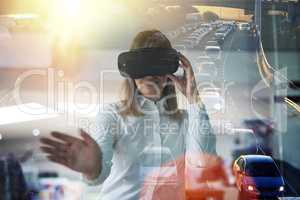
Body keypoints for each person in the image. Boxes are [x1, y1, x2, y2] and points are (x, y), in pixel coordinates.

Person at [40, 30, 216, 200]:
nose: (150, 74)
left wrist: (194, 98)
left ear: (169, 70)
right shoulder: (112, 115)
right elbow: (101, 171)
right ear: (131, 70)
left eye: (158, 65)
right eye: (143, 65)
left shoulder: (186, 120)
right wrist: (94, 167)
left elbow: (201, 168)